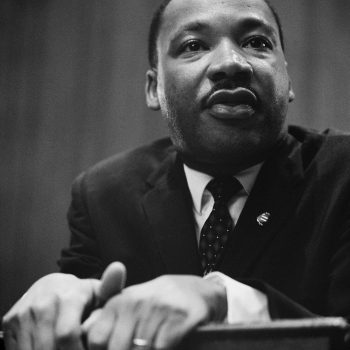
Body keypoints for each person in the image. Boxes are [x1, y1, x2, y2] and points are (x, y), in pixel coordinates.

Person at [3, 0, 350, 349]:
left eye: (257, 43)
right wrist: (62, 300)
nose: (231, 63)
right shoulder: (103, 194)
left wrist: (221, 300)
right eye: (194, 46)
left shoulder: (342, 174)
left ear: (287, 79)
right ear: (155, 89)